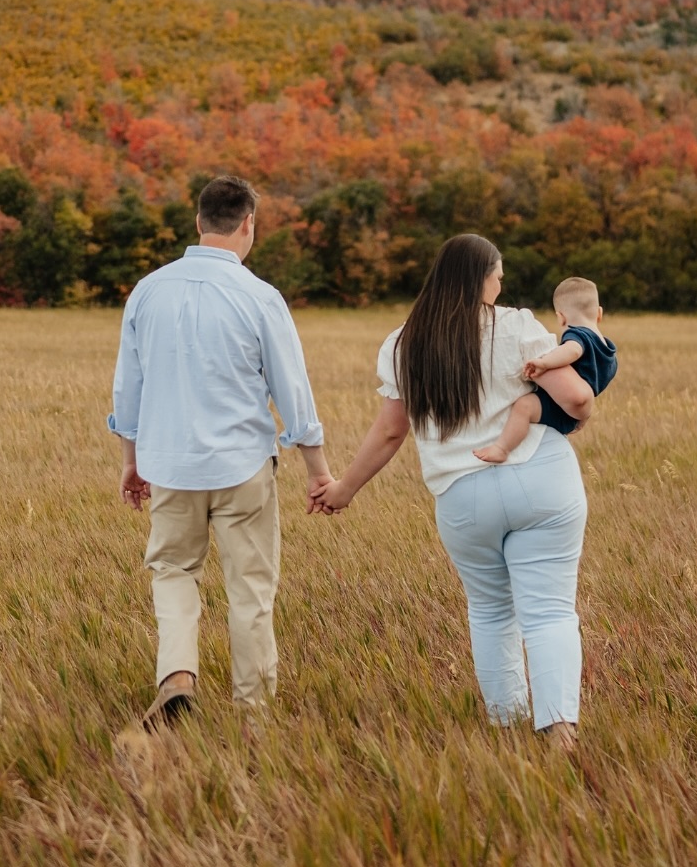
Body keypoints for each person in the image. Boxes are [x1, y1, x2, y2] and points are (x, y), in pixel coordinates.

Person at [310, 235, 594, 745]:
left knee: (490, 611)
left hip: (463, 497)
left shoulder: (402, 343)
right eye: (497, 274)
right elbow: (574, 398)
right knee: (549, 611)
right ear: (480, 276)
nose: (501, 284)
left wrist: (344, 488)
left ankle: (506, 728)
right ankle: (559, 734)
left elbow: (391, 431)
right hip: (541, 480)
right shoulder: (517, 326)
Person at [108, 174, 333, 729]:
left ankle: (178, 676)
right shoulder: (260, 296)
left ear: (199, 222)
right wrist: (318, 471)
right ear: (248, 224)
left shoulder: (148, 290)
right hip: (242, 466)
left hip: (170, 466)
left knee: (174, 571)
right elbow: (293, 391)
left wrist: (131, 462)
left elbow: (127, 388)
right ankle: (253, 713)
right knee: (250, 587)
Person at [474, 276, 617, 464]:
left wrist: (545, 362)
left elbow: (573, 350)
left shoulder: (577, 334)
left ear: (561, 317)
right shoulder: (609, 352)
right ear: (599, 313)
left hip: (558, 406)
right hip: (574, 414)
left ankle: (502, 448)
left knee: (524, 406)